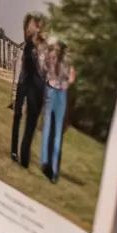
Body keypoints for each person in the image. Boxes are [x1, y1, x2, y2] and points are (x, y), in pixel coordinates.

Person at [10, 15, 47, 170]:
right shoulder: (27, 45)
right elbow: (21, 67)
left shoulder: (44, 46)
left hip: (37, 88)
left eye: (36, 26)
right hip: (24, 83)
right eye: (32, 26)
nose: (34, 28)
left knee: (31, 123)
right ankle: (14, 151)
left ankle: (24, 158)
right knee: (18, 115)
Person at [41, 41, 75, 182]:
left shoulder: (60, 62)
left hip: (57, 94)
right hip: (56, 93)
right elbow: (70, 79)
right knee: (52, 131)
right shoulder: (56, 61)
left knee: (52, 131)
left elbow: (70, 78)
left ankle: (50, 167)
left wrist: (66, 81)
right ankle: (49, 167)